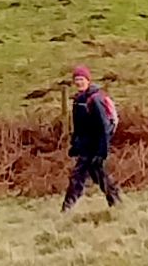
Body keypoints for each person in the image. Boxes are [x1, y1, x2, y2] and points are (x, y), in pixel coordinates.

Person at [61, 65, 121, 212]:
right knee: (99, 176)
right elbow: (79, 126)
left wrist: (102, 152)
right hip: (86, 146)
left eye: (81, 79)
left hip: (95, 147)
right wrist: (75, 145)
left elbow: (104, 127)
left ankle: (67, 208)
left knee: (78, 177)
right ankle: (116, 202)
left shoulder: (95, 100)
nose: (79, 82)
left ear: (88, 80)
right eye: (76, 79)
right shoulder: (78, 100)